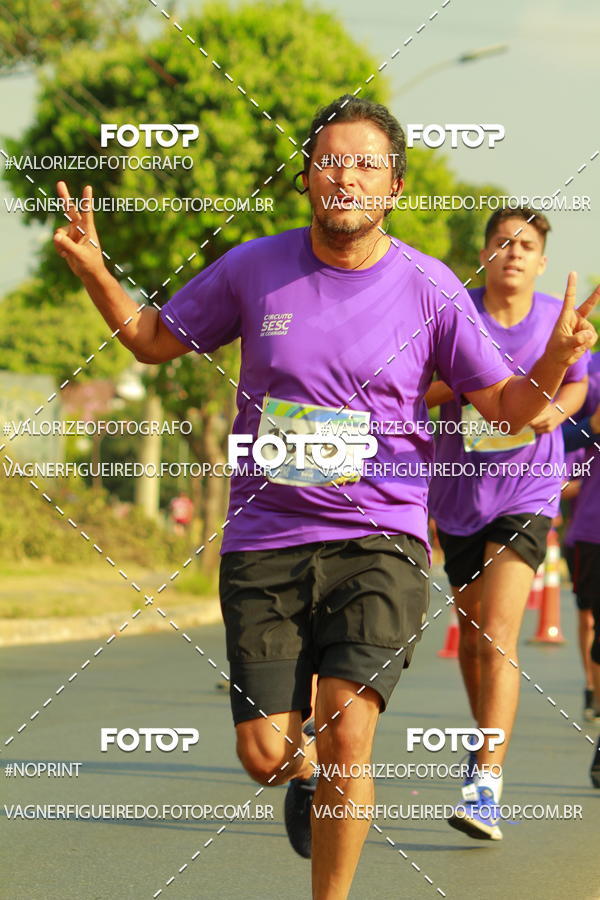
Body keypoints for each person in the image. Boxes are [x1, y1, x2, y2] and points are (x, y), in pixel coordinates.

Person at [53, 97, 597, 897]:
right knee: (267, 755)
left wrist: (553, 358)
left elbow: (511, 409)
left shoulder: (431, 287)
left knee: (350, 728)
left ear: (396, 186)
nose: (345, 176)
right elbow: (153, 340)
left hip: (382, 537)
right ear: (307, 178)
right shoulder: (253, 268)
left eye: (365, 163)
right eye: (330, 161)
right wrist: (96, 268)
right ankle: (298, 764)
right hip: (266, 534)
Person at [427, 207, 591, 840]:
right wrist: (486, 390)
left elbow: (577, 387)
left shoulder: (557, 316)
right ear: (486, 254)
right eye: (503, 243)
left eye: (527, 245)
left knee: (498, 632)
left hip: (529, 488)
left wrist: (550, 409)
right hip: (457, 491)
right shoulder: (453, 313)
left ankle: (486, 782)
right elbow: (421, 387)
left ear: (541, 260)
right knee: (471, 639)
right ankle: (481, 748)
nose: (514, 253)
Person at [561, 351, 600, 785]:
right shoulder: (589, 372)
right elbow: (556, 434)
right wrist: (593, 428)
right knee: (591, 619)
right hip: (594, 529)